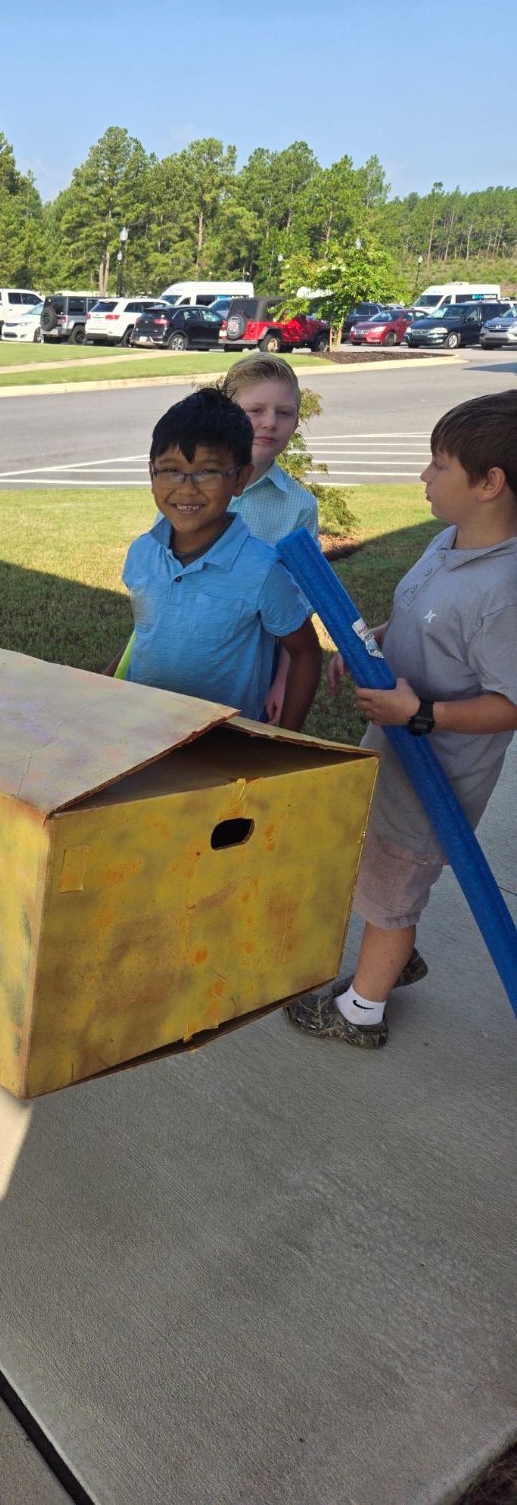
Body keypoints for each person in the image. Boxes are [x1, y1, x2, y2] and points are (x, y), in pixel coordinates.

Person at [286, 390, 517, 1047]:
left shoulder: (503, 591)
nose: (423, 476)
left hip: (433, 777)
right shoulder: (449, 543)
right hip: (396, 750)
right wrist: (379, 640)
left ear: (488, 483)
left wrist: (421, 714)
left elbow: (511, 703)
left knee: (390, 889)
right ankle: (393, 957)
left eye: (437, 464)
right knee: (378, 873)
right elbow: (428, 619)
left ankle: (361, 1009)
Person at [110, 387, 321, 731]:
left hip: (221, 743)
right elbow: (148, 632)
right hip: (139, 727)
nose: (187, 487)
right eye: (170, 469)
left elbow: (305, 653)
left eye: (207, 471)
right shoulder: (141, 553)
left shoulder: (263, 570)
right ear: (152, 474)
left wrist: (284, 740)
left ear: (240, 478)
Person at [221, 352, 320, 723]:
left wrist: (283, 681)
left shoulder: (298, 505)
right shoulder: (194, 485)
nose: (269, 423)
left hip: (255, 659)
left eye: (284, 413)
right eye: (254, 410)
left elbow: (298, 602)